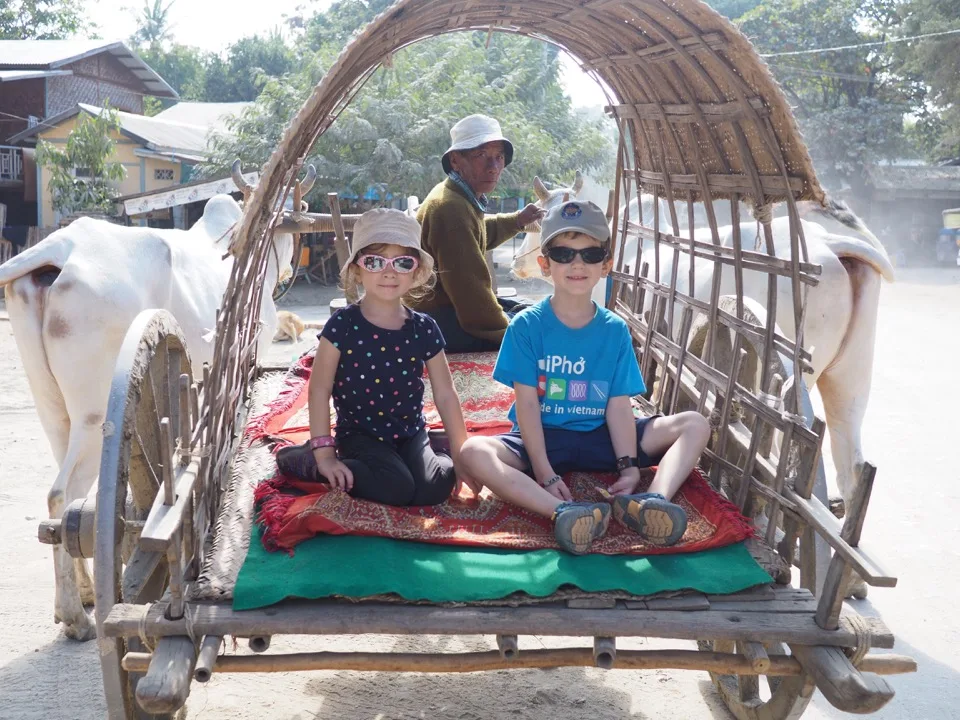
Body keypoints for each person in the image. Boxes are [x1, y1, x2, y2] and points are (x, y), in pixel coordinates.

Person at [458, 200, 711, 554]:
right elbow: (527, 405)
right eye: (563, 254)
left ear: (605, 265)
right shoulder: (526, 326)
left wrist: (629, 468)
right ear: (545, 264)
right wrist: (545, 474)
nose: (577, 264)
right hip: (544, 439)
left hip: (602, 437)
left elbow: (618, 404)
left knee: (695, 424)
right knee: (472, 451)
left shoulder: (615, 330)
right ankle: (565, 513)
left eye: (590, 255)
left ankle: (651, 503)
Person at [276, 208, 468, 507]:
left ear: (416, 271)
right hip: (359, 435)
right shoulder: (342, 325)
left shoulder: (424, 328)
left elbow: (445, 394)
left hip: (410, 432)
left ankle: (437, 446)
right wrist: (325, 453)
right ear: (357, 269)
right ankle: (309, 460)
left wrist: (461, 451)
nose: (388, 272)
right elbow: (319, 388)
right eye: (375, 261)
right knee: (396, 488)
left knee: (432, 490)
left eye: (402, 262)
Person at [411, 114, 545, 353]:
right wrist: (511, 335)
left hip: (448, 310)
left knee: (529, 312)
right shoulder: (450, 208)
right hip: (436, 321)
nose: (493, 167)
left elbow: (478, 233)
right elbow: (471, 296)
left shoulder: (457, 197)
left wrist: (518, 220)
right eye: (481, 156)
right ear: (455, 160)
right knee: (535, 332)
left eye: (499, 157)